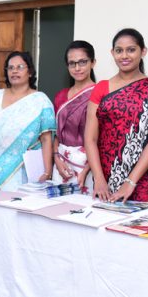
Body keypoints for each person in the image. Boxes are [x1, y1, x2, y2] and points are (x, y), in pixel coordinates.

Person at [84, 28, 148, 204]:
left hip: (145, 176)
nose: (124, 56)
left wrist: (130, 182)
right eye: (119, 50)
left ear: (143, 51)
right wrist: (99, 178)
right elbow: (90, 138)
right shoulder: (101, 87)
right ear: (112, 53)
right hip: (105, 174)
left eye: (131, 50)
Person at [0, 51, 56, 193]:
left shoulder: (41, 101)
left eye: (20, 67)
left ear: (30, 72)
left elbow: (46, 139)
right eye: (10, 68)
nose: (14, 71)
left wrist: (47, 171)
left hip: (23, 170)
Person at [51, 41, 97, 194]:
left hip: (89, 165)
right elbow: (56, 134)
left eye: (82, 62)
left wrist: (87, 169)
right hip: (61, 164)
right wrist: (56, 158)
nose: (77, 68)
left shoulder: (100, 94)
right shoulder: (60, 96)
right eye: (72, 63)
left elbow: (102, 139)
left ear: (93, 62)